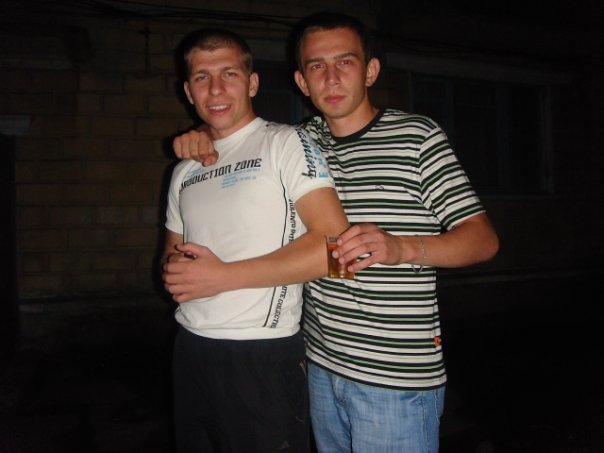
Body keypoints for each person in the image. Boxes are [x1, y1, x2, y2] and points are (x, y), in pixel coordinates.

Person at [169, 13, 499, 453]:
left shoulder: (416, 137)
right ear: (302, 82)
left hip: (395, 374)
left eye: (345, 62)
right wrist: (200, 135)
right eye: (316, 66)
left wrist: (401, 247)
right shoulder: (300, 140)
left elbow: (483, 240)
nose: (331, 78)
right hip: (319, 365)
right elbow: (241, 138)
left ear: (370, 70)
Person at [161, 27, 349, 453]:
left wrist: (223, 276)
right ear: (188, 91)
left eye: (229, 74)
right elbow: (170, 258)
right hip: (189, 349)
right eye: (202, 77)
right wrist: (175, 272)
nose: (215, 89)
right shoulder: (183, 170)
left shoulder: (285, 142)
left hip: (261, 354)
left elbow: (336, 248)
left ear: (252, 83)